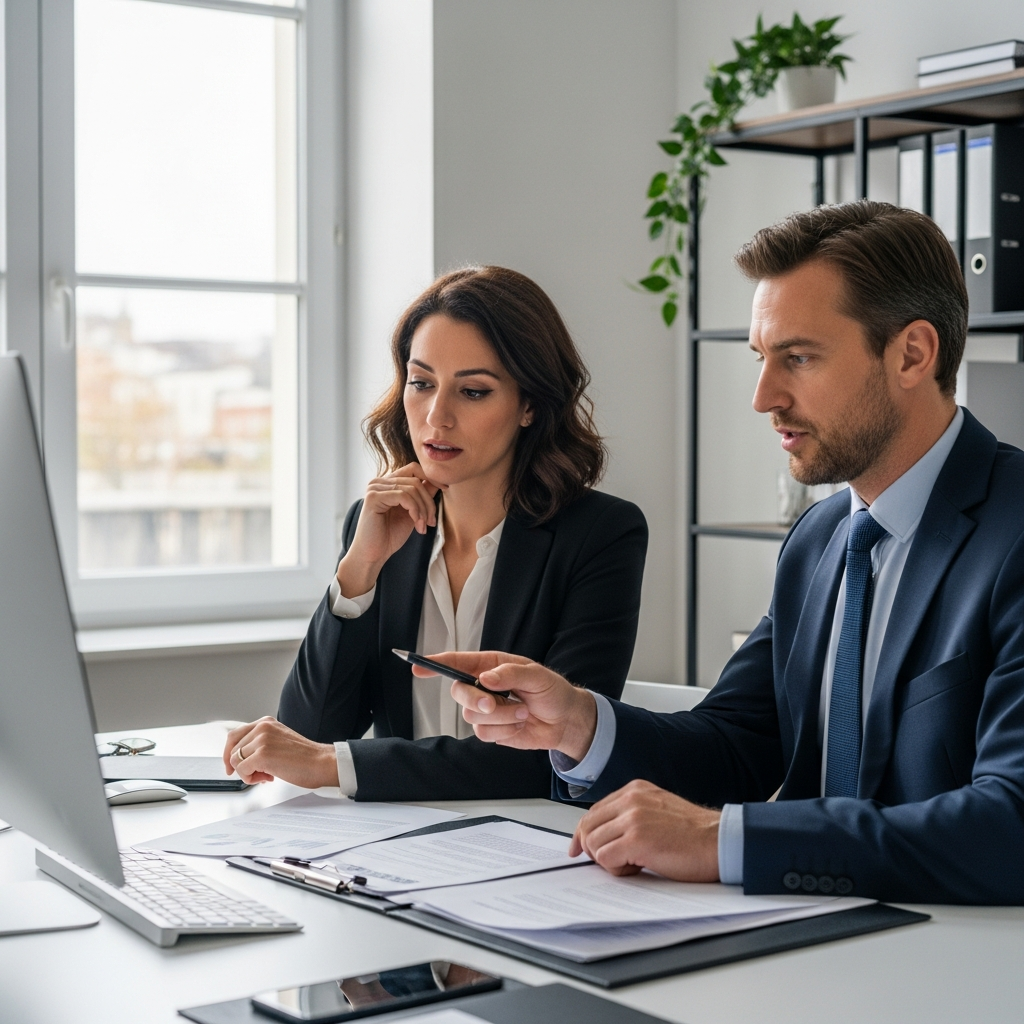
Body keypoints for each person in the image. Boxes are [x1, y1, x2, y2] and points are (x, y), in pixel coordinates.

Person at [442, 202, 1024, 904]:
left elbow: (1010, 823)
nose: (762, 397)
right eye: (761, 358)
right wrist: (578, 722)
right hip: (806, 931)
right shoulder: (820, 539)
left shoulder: (1012, 533)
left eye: (798, 358)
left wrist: (726, 841)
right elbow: (737, 745)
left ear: (912, 354)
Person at [223, 266, 648, 800]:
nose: (436, 417)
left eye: (472, 391)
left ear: (530, 406)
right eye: (421, 383)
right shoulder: (376, 525)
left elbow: (547, 756)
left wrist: (332, 763)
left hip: (529, 833)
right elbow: (311, 731)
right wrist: (358, 571)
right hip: (395, 834)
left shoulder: (601, 535)